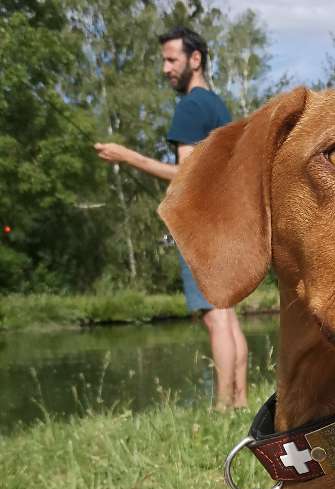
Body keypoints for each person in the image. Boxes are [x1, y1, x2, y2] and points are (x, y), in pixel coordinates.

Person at [95, 27, 248, 410]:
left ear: (194, 60)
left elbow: (186, 173)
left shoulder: (191, 106)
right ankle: (240, 401)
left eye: (171, 59)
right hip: (225, 220)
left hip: (202, 224)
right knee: (227, 315)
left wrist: (127, 156)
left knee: (215, 317)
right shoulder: (218, 106)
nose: (165, 68)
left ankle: (221, 406)